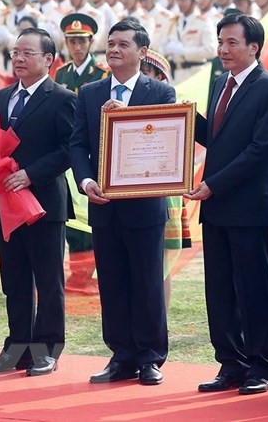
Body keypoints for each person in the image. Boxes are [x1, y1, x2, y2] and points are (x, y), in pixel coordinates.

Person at [70, 19, 176, 386]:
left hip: (144, 206)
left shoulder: (160, 92)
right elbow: (78, 144)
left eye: (123, 44)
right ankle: (121, 355)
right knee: (112, 282)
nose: (114, 50)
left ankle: (150, 357)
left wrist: (126, 118)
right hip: (103, 204)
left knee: (147, 282)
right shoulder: (90, 93)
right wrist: (85, 181)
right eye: (110, 43)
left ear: (142, 52)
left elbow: (162, 141)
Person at [185, 13, 268, 396]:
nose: (223, 50)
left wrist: (212, 184)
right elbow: (217, 138)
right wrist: (184, 117)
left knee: (254, 288)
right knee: (220, 289)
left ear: (253, 47)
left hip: (247, 205)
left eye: (231, 43)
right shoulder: (218, 83)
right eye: (220, 42)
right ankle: (230, 363)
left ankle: (261, 364)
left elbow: (259, 150)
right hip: (217, 205)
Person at [0, 28, 76, 377]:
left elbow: (69, 149)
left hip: (43, 202)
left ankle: (47, 349)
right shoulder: (1, 98)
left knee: (48, 280)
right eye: (16, 52)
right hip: (5, 201)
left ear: (48, 60)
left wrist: (32, 174)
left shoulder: (61, 97)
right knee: (14, 279)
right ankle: (17, 347)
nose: (18, 58)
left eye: (27, 53)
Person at [55, 13, 109, 295]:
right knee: (72, 214)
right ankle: (77, 272)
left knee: (91, 211)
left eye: (82, 41)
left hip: (93, 149)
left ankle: (89, 272)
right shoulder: (61, 74)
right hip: (68, 150)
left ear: (91, 42)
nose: (77, 47)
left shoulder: (101, 74)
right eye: (72, 41)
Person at [140, 50, 192, 310]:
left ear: (161, 77)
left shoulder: (173, 104)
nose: (141, 78)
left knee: (160, 258)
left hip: (164, 190)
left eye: (146, 73)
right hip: (136, 186)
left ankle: (160, 316)